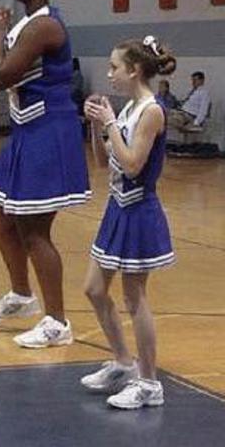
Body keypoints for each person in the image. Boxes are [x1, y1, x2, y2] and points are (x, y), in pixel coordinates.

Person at [0, 0, 91, 348]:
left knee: (34, 229)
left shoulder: (44, 26)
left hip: (48, 129)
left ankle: (57, 322)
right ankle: (22, 295)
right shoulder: (28, 23)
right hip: (25, 128)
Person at [82, 35, 176, 410]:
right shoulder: (127, 110)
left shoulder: (151, 111)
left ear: (134, 70)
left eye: (114, 67)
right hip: (116, 207)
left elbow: (134, 164)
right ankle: (123, 361)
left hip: (139, 210)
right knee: (93, 288)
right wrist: (96, 125)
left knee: (134, 297)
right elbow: (106, 162)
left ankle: (150, 382)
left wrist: (110, 125)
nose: (110, 74)